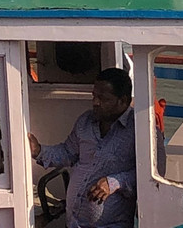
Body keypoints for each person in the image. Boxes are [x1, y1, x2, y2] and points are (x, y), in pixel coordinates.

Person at [28, 67, 163, 228]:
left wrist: (115, 182)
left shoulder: (142, 130)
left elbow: (155, 175)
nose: (95, 103)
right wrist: (39, 151)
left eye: (103, 98)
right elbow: (67, 152)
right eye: (94, 96)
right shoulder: (85, 121)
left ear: (123, 101)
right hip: (74, 223)